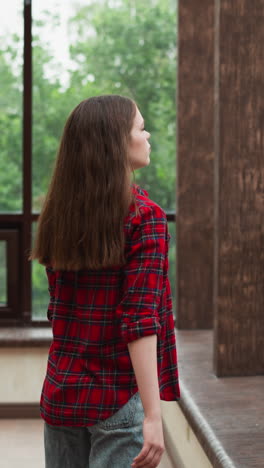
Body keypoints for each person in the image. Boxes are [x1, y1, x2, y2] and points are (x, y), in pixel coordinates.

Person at [30, 94, 180, 468]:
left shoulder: (58, 216)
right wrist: (152, 415)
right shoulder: (145, 217)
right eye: (141, 129)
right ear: (116, 143)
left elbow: (60, 310)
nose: (148, 138)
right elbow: (140, 321)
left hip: (62, 393)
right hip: (116, 399)